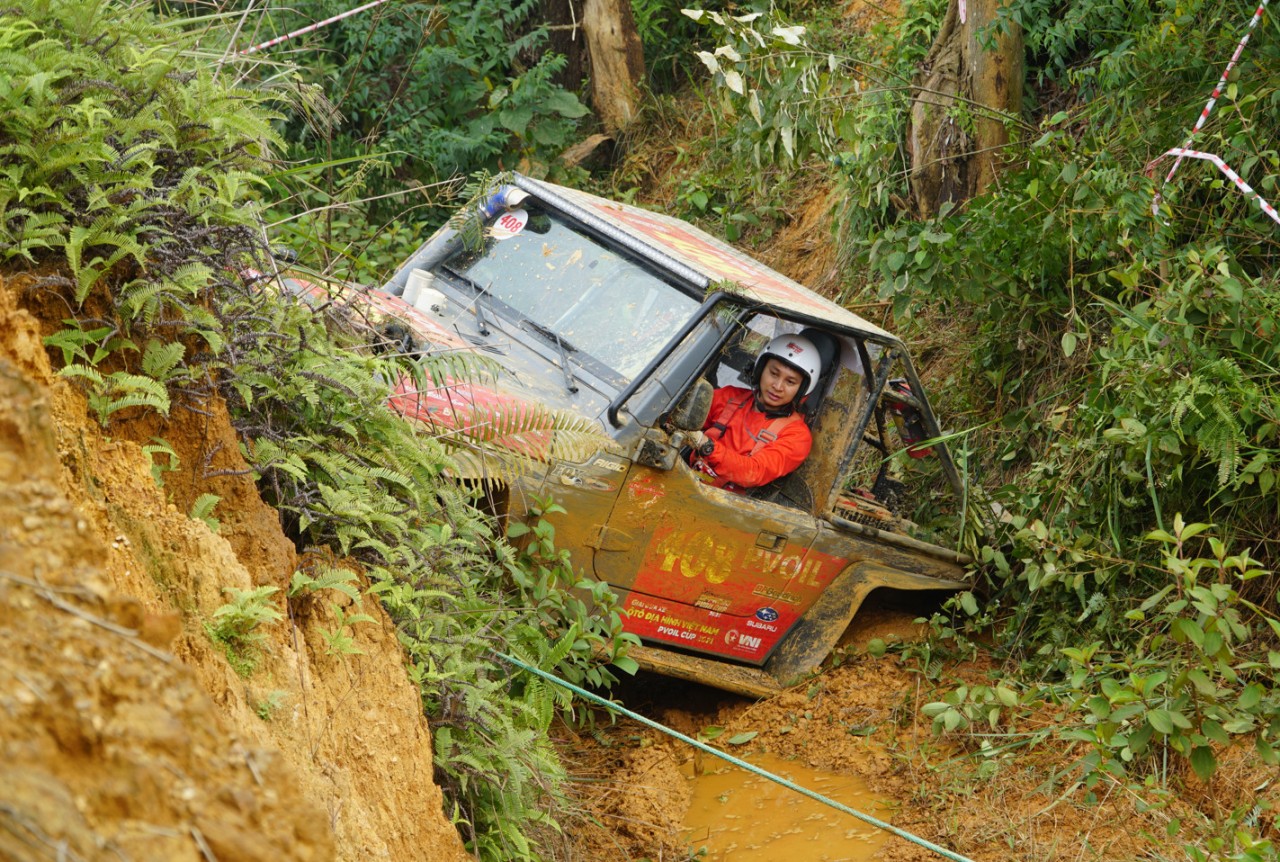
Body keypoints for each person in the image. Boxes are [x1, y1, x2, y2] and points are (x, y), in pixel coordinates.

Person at [687, 333, 820, 492]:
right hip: (684, 482)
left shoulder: (797, 436)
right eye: (774, 373)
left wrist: (706, 445)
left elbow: (754, 472)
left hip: (724, 509)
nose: (777, 386)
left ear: (802, 390)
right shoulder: (729, 397)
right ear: (760, 370)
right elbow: (683, 414)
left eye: (790, 382)